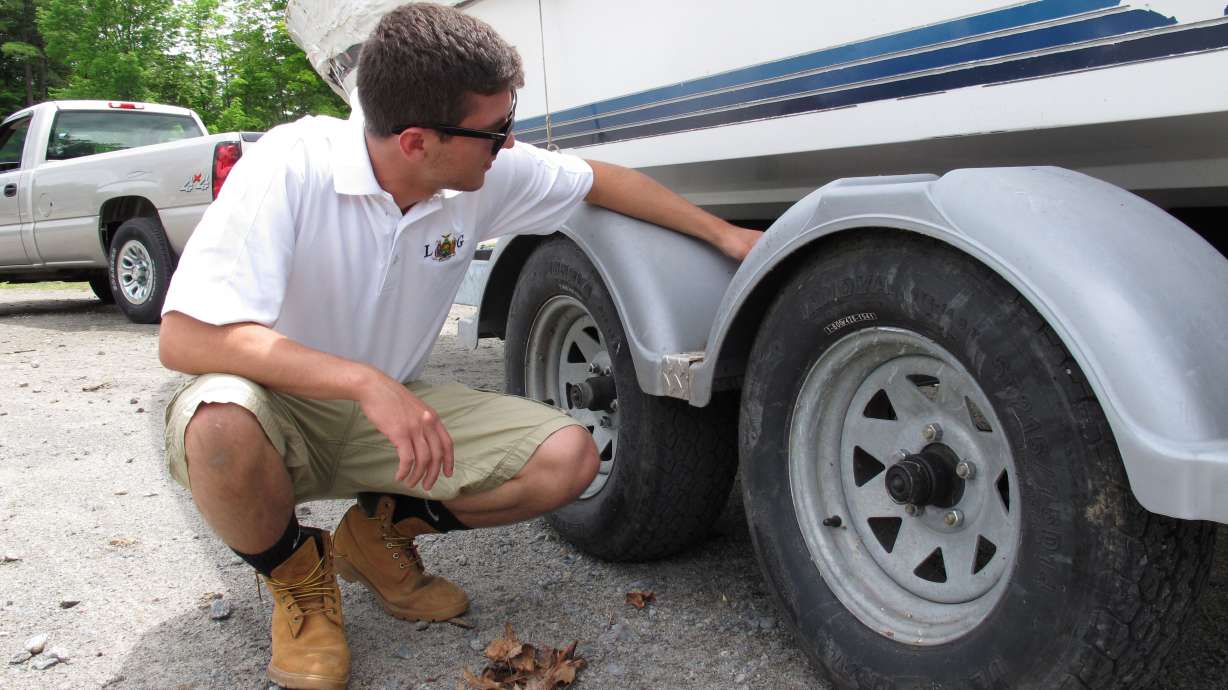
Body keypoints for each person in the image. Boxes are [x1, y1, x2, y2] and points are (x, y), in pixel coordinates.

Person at [158, 3, 760, 689]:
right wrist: (362, 381)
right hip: (277, 409)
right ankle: (298, 577)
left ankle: (377, 536)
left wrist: (725, 237)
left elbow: (602, 180)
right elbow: (186, 337)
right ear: (417, 141)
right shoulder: (291, 167)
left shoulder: (474, 172)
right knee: (217, 424)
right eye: (497, 128)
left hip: (386, 414)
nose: (510, 142)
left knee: (568, 461)